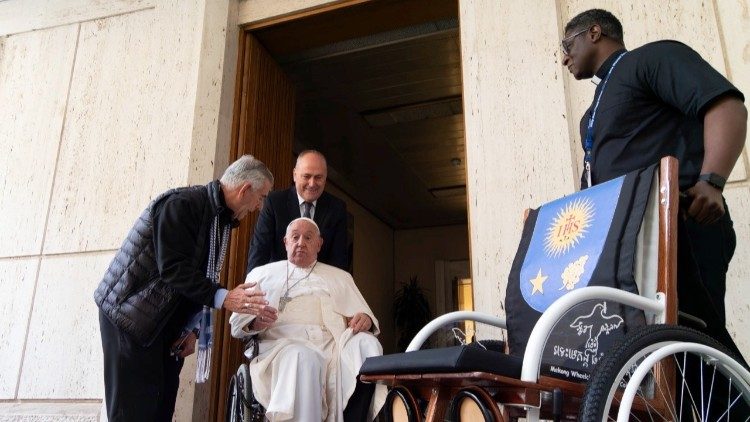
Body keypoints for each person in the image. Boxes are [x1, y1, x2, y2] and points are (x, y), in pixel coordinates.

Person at [561, 8, 748, 417]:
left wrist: (712, 181)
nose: (564, 58)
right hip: (627, 246)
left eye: (567, 44)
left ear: (594, 32)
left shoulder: (652, 59)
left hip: (680, 224)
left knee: (694, 338)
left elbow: (728, 105)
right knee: (652, 355)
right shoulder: (590, 115)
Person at [94, 154, 275, 421]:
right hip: (130, 319)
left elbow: (198, 277)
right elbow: (174, 269)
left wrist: (192, 328)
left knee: (161, 410)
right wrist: (225, 297)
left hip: (164, 328)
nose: (259, 206)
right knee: (132, 413)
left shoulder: (219, 220)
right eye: (260, 197)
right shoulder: (182, 204)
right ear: (245, 189)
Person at [230, 217, 386, 422]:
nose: (300, 242)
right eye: (295, 237)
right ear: (285, 242)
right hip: (281, 346)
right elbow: (236, 326)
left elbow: (363, 315)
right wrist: (254, 323)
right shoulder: (262, 274)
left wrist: (365, 318)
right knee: (304, 357)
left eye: (308, 237)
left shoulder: (341, 277)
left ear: (319, 244)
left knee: (368, 344)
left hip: (334, 344)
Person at [246, 150, 348, 273]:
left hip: (318, 287)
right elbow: (259, 251)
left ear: (325, 178)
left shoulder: (336, 208)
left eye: (318, 177)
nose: (312, 183)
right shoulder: (274, 202)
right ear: (295, 175)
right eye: (306, 176)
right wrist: (252, 287)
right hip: (279, 284)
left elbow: (339, 261)